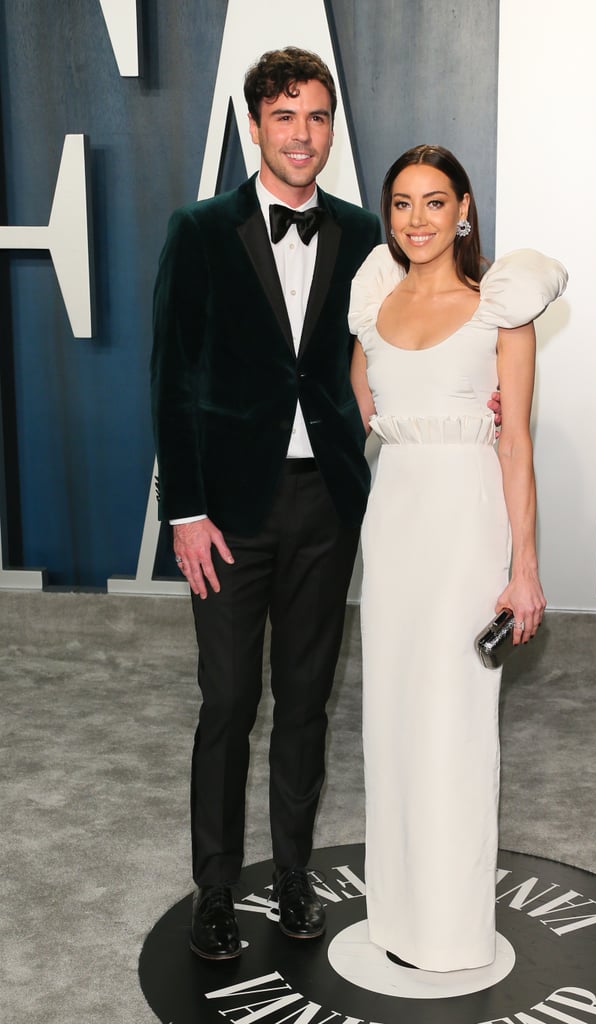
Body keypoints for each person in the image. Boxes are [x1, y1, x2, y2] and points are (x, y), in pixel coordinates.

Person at [150, 47, 383, 960]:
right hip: (228, 515)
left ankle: (291, 873)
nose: (302, 133)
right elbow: (172, 377)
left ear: (331, 129)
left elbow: (400, 343)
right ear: (256, 125)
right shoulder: (201, 229)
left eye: (318, 117)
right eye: (285, 116)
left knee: (307, 701)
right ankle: (215, 887)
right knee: (228, 701)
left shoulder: (364, 232)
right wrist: (186, 510)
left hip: (326, 501)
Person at [349, 145, 567, 972]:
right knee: (394, 718)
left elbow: (515, 443)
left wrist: (525, 568)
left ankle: (450, 929)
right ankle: (397, 916)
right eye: (402, 204)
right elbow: (364, 414)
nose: (417, 221)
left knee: (454, 722)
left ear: (464, 208)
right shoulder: (373, 303)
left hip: (467, 524)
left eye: (434, 203)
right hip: (395, 523)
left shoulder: (499, 306)